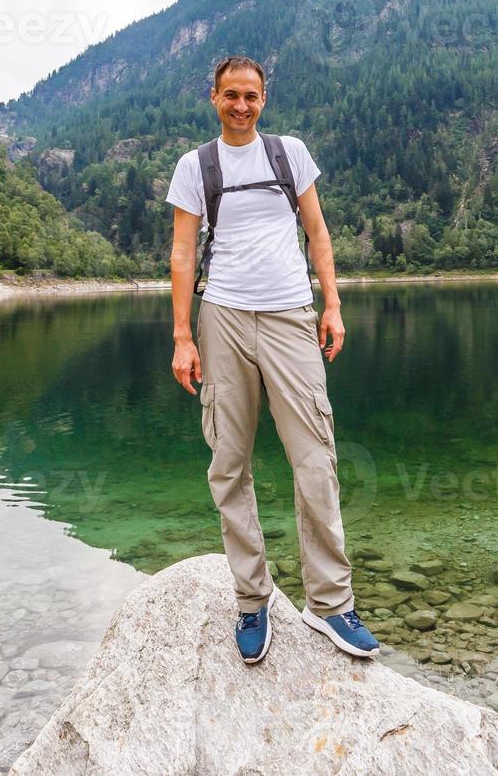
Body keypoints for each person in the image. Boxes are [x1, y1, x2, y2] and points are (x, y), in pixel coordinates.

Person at [166, 55, 378, 664]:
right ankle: (251, 598)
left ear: (264, 99)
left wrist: (331, 304)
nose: (240, 105)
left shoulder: (289, 155)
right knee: (229, 464)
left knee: (314, 458)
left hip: (290, 316)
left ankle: (330, 605)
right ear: (213, 98)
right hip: (223, 318)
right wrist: (183, 336)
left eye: (251, 96)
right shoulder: (195, 166)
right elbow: (183, 255)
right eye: (230, 95)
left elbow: (318, 232)